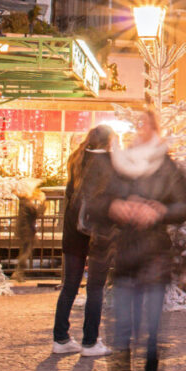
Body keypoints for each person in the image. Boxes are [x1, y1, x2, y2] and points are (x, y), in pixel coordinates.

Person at [83, 109, 186, 371]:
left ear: (156, 130)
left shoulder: (167, 167)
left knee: (150, 336)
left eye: (147, 124)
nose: (141, 129)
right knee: (122, 332)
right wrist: (114, 206)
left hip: (154, 260)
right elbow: (93, 203)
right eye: (139, 125)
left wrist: (162, 211)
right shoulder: (118, 165)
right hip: (123, 259)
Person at [51, 126, 114, 357]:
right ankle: (90, 342)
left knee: (70, 286)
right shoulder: (109, 164)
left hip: (73, 232)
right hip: (99, 234)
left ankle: (61, 338)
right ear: (108, 142)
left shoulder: (77, 159)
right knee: (96, 288)